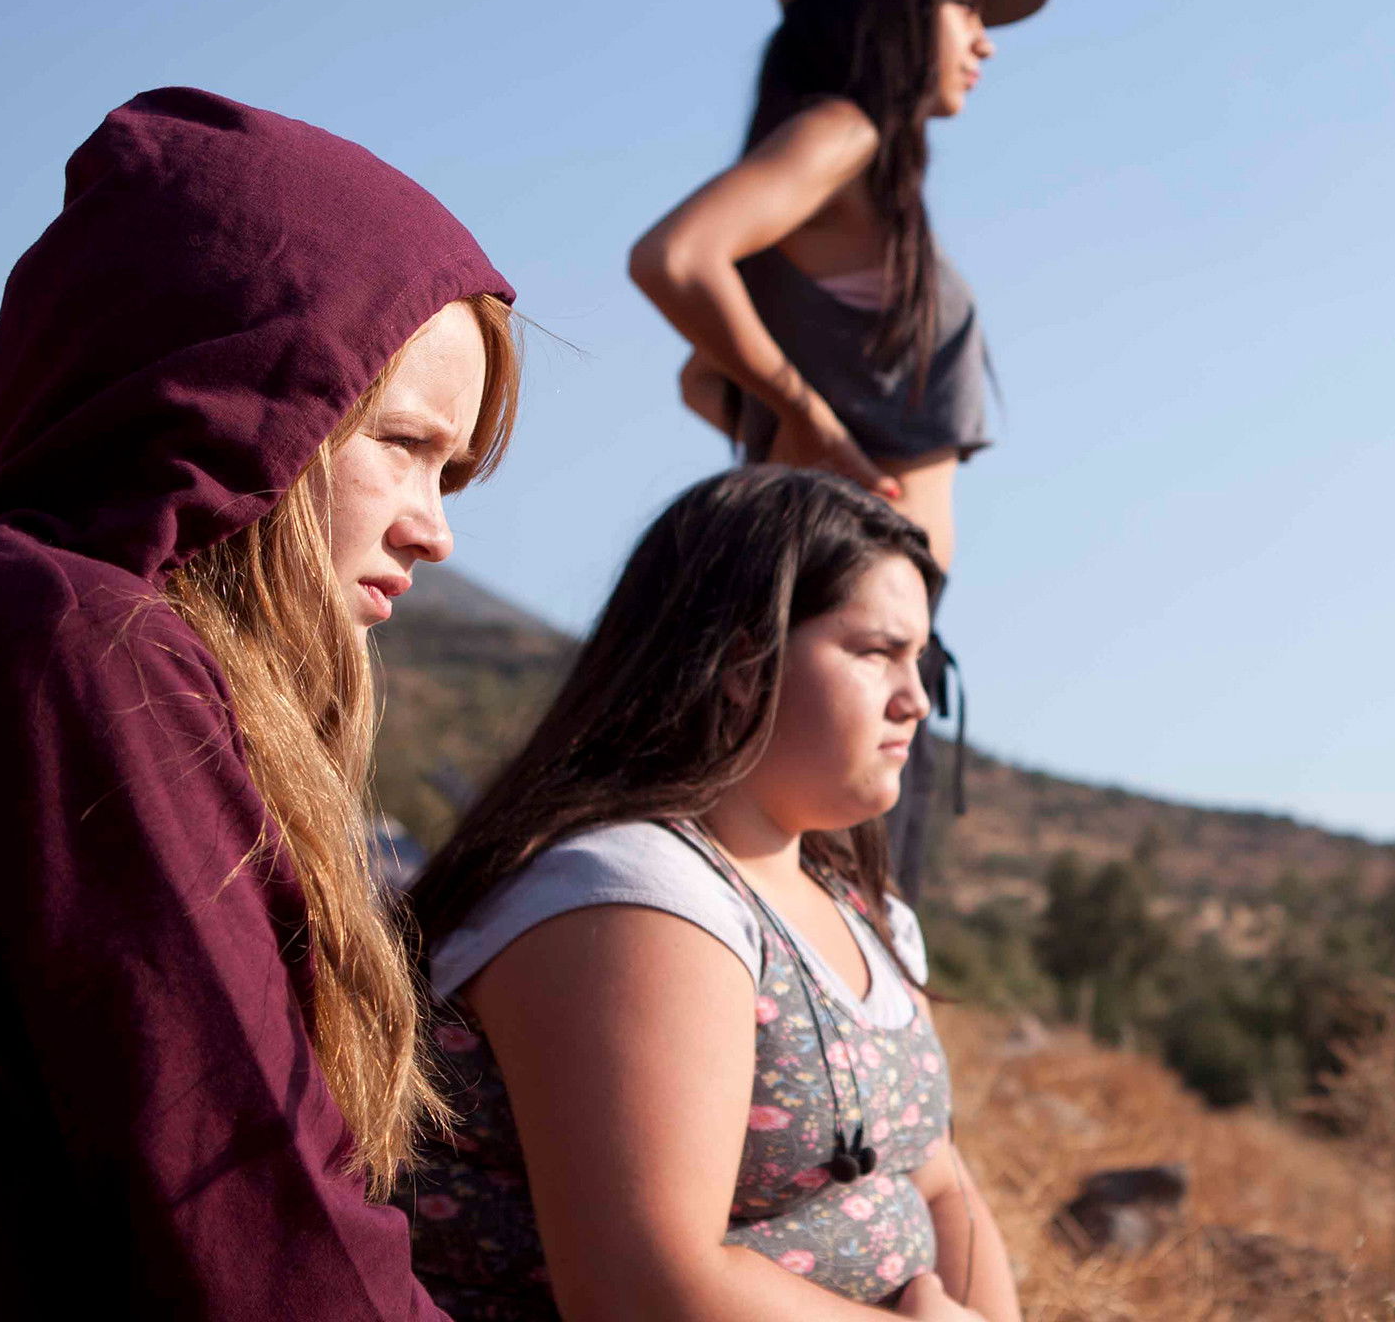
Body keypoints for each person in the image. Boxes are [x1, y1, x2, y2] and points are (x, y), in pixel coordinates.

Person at [0, 88, 522, 1316]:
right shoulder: (64, 646)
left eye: (454, 471)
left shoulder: (8, 623)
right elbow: (265, 1241)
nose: (433, 530)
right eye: (400, 442)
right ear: (227, 388)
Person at [400, 466, 1018, 1322]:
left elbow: (943, 1184)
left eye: (922, 660)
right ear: (741, 662)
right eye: (876, 652)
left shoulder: (857, 908)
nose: (917, 701)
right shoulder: (628, 899)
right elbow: (640, 1290)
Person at [628, 0, 1050, 895]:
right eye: (964, 5)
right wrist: (813, 425)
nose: (985, 41)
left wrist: (796, 419)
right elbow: (675, 257)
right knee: (823, 928)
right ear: (887, 9)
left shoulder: (866, 181)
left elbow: (702, 379)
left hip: (852, 621)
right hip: (830, 622)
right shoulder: (842, 133)